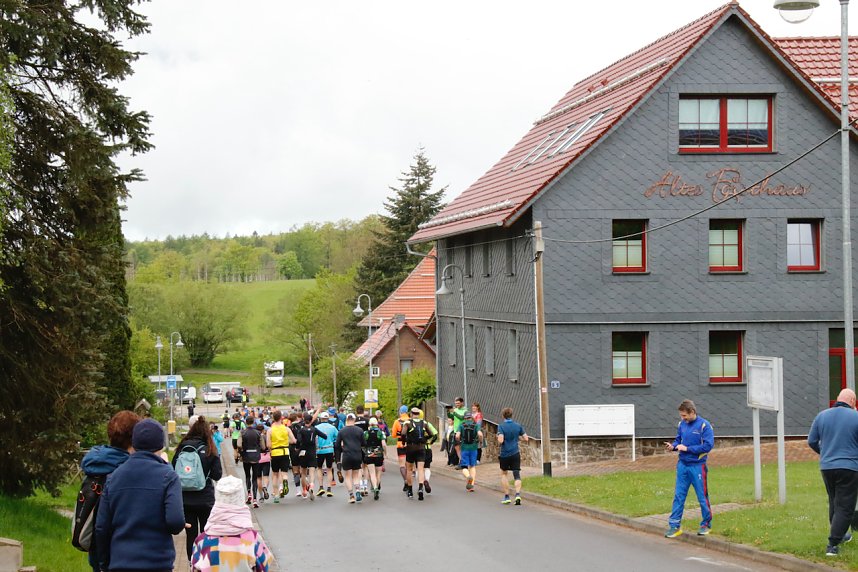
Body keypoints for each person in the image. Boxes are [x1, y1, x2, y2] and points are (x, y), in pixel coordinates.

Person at [95, 418, 186, 572]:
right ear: (161, 445)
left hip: (121, 562)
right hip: (157, 562)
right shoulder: (168, 476)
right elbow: (175, 522)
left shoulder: (114, 477)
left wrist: (104, 563)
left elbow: (101, 527)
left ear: (134, 444)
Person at [79, 411, 140, 572]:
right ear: (135, 438)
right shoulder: (127, 469)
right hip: (121, 550)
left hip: (95, 547)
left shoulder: (96, 462)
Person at [808, 388, 858, 556]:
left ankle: (841, 534)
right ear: (852, 402)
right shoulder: (856, 417)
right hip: (849, 467)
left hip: (827, 466)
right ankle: (833, 544)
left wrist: (825, 452)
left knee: (835, 501)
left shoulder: (822, 415)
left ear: (838, 399)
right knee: (845, 507)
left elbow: (812, 440)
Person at [190, 475, 274, 571]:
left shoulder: (201, 541)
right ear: (241, 499)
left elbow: (194, 568)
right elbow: (264, 568)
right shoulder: (253, 539)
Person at [172, 416, 223, 561]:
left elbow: (173, 469)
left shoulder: (182, 448)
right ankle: (205, 564)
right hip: (205, 499)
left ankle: (191, 564)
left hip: (185, 499)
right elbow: (217, 475)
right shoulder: (209, 449)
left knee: (191, 535)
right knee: (206, 533)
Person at [664, 399, 714, 538]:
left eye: (684, 415)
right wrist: (673, 446)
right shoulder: (682, 424)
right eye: (681, 416)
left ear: (692, 412)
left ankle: (706, 525)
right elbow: (678, 440)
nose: (682, 418)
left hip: (698, 466)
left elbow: (708, 446)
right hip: (682, 465)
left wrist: (687, 449)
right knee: (679, 496)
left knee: (702, 496)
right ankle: (674, 526)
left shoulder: (705, 426)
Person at [497, 407, 528, 505]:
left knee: (504, 473)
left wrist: (498, 437)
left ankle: (507, 496)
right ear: (511, 415)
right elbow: (526, 438)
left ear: (503, 416)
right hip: (515, 453)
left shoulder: (501, 426)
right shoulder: (518, 426)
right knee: (517, 474)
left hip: (505, 454)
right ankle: (518, 495)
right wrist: (517, 439)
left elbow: (501, 440)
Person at [402, 407, 432, 501]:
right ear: (418, 414)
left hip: (410, 448)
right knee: (420, 469)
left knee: (409, 469)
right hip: (421, 448)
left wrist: (404, 442)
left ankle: (410, 491)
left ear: (411, 414)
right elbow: (431, 434)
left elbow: (403, 434)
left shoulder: (407, 423)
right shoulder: (424, 423)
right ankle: (420, 489)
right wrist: (425, 440)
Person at [336, 413, 365, 503]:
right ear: (354, 420)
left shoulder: (342, 431)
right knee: (356, 475)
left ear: (346, 420)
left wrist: (338, 458)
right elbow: (364, 443)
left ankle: (351, 496)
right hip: (357, 455)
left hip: (347, 455)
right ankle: (357, 491)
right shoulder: (360, 430)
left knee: (348, 476)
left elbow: (337, 445)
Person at [238, 419, 266, 508]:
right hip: (256, 457)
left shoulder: (242, 432)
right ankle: (255, 499)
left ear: (246, 422)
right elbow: (263, 446)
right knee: (255, 477)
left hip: (246, 456)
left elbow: (238, 444)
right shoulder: (258, 433)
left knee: (247, 476)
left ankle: (249, 493)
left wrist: (241, 450)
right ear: (253, 422)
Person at [268, 410, 295, 503]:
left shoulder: (270, 430)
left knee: (275, 474)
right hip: (285, 452)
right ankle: (285, 481)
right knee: (284, 473)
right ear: (281, 418)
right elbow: (294, 440)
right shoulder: (286, 429)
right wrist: (287, 442)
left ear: (273, 418)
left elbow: (268, 444)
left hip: (275, 452)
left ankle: (275, 495)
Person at [457, 411, 483, 492]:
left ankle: (468, 476)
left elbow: (457, 435)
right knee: (472, 466)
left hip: (464, 448)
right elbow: (480, 434)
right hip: (474, 448)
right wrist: (480, 441)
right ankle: (471, 485)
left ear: (464, 418)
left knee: (464, 466)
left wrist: (459, 441)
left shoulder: (461, 425)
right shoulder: (476, 425)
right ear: (471, 417)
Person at [314, 411, 339, 497]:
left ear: (320, 419)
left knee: (319, 468)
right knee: (329, 469)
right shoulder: (332, 427)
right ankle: (329, 488)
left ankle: (321, 487)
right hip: (329, 450)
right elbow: (338, 437)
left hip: (320, 450)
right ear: (328, 419)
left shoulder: (316, 427)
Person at [363, 417, 386, 500]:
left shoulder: (366, 433)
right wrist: (385, 453)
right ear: (377, 424)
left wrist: (365, 450)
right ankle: (377, 488)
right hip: (379, 453)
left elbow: (363, 443)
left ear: (369, 424)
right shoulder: (381, 432)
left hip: (369, 453)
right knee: (378, 473)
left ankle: (375, 487)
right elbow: (383, 444)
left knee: (372, 473)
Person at [390, 405, 411, 491]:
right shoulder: (411, 421)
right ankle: (409, 482)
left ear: (400, 412)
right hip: (410, 444)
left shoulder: (397, 422)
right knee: (409, 465)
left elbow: (393, 435)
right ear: (407, 412)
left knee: (402, 465)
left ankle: (405, 480)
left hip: (400, 444)